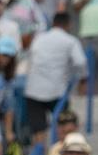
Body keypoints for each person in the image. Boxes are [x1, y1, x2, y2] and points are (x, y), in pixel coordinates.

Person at [23, 13, 87, 146]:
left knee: (39, 130)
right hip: (57, 90)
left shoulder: (39, 38)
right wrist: (81, 78)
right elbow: (80, 62)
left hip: (33, 89)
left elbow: (31, 57)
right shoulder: (70, 40)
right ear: (68, 25)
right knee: (65, 126)